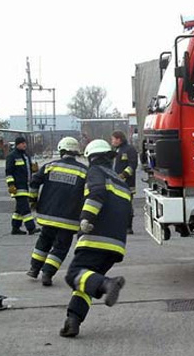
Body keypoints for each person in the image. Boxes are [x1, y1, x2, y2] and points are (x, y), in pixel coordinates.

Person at [60, 139, 131, 338]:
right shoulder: (120, 181)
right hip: (116, 245)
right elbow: (128, 213)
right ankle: (73, 321)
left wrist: (86, 219)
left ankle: (109, 284)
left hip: (96, 238)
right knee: (86, 282)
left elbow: (97, 193)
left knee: (73, 274)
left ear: (91, 157)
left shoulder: (95, 172)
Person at [26, 137, 87, 286]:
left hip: (48, 214)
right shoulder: (84, 171)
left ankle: (34, 269)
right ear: (76, 152)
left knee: (44, 240)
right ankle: (47, 274)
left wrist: (33, 201)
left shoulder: (50, 166)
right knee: (60, 247)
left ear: (61, 150)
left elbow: (34, 182)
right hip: (70, 218)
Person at [5, 136, 39, 235]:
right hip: (17, 187)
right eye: (22, 143)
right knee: (25, 208)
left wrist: (34, 169)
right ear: (17, 144)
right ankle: (31, 228)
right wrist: (11, 185)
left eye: (25, 143)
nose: (24, 145)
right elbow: (8, 172)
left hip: (26, 185)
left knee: (19, 209)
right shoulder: (12, 156)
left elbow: (27, 170)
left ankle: (15, 228)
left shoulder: (26, 156)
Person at [111, 130, 138, 234]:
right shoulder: (117, 150)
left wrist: (123, 175)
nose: (112, 141)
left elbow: (132, 165)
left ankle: (128, 227)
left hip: (127, 184)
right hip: (116, 183)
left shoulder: (130, 150)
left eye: (113, 139)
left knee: (127, 205)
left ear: (119, 139)